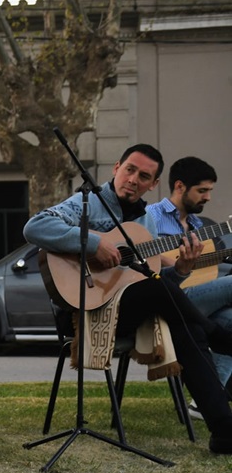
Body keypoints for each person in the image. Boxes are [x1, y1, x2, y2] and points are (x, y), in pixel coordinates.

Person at [24, 144, 232, 455]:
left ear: (153, 184)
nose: (134, 179)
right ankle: (220, 338)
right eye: (130, 170)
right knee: (184, 316)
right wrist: (94, 244)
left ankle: (224, 432)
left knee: (183, 323)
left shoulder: (145, 222)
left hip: (127, 309)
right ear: (117, 168)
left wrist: (182, 270)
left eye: (144, 176)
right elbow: (35, 226)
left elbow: (146, 279)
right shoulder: (89, 203)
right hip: (84, 309)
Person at [144, 156, 232, 394]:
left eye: (210, 191)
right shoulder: (149, 216)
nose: (208, 197)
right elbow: (138, 256)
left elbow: (202, 270)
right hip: (163, 300)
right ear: (180, 186)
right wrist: (170, 262)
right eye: (202, 190)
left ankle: (209, 397)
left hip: (192, 303)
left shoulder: (198, 226)